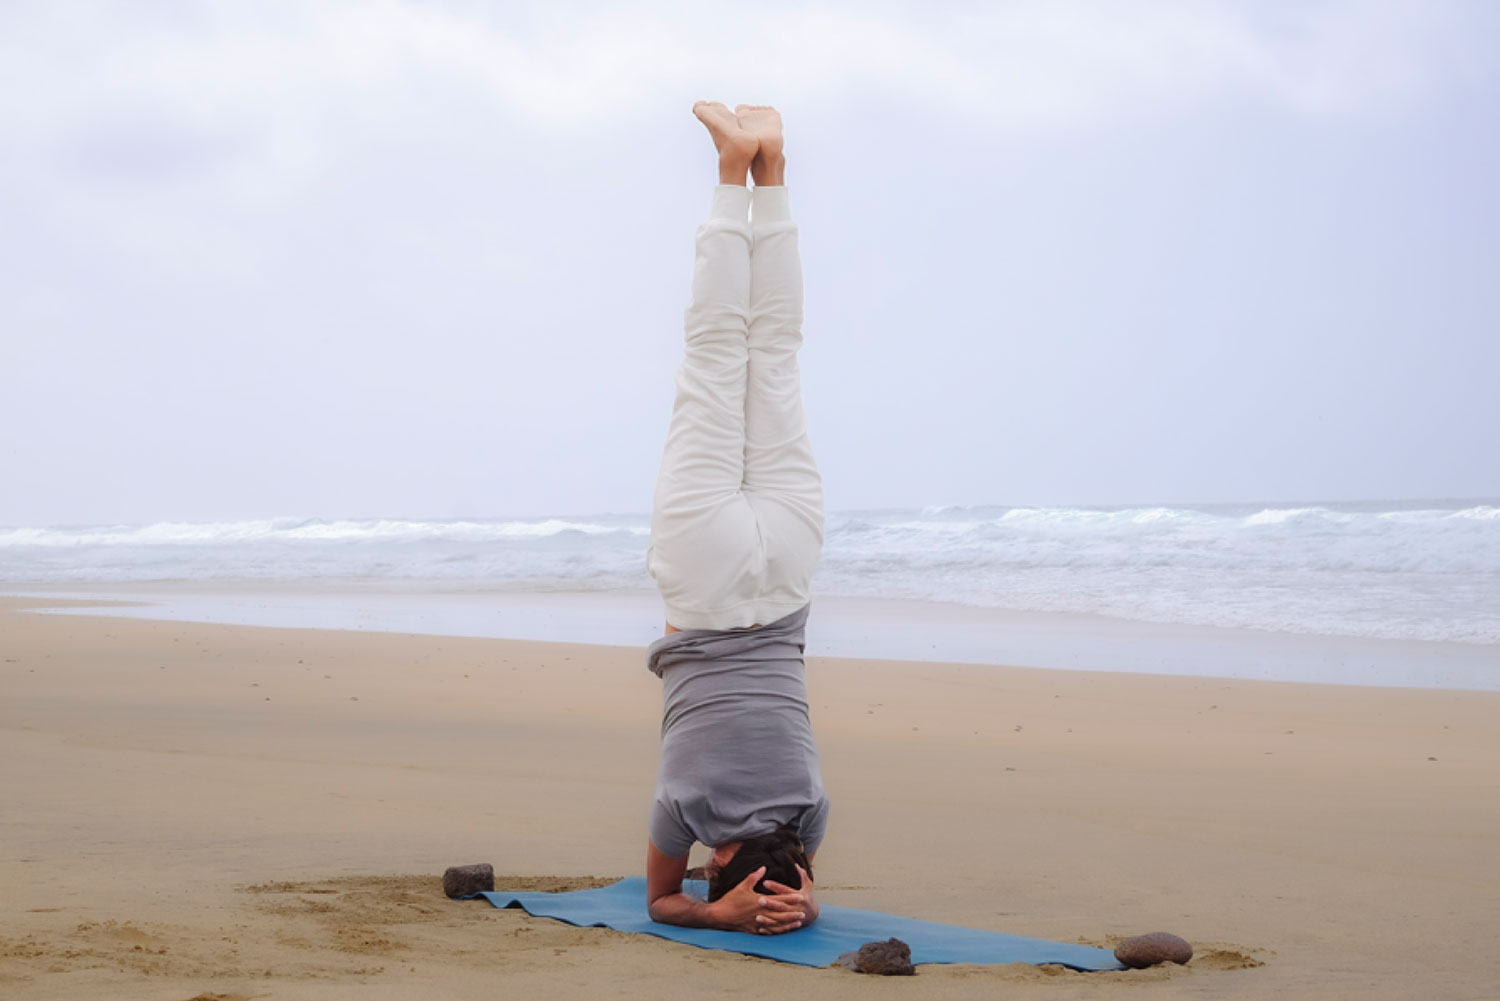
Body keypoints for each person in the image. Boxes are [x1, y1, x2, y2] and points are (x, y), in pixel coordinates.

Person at [643, 101, 828, 936]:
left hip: (788, 571)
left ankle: (772, 167)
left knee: (777, 353)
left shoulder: (811, 811)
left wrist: (808, 894)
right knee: (717, 353)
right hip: (710, 581)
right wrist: (716, 914)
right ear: (717, 857)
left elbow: (803, 871)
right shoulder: (686, 807)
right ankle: (730, 171)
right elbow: (662, 901)